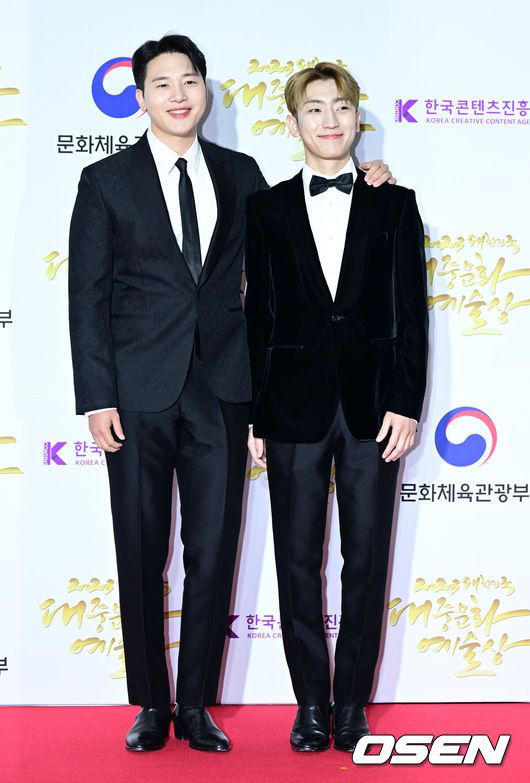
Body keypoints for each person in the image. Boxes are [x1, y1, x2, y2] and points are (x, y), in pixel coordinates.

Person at [69, 34, 395, 754]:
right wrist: (96, 395)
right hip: (137, 392)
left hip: (225, 390)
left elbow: (300, 240)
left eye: (190, 80)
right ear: (141, 97)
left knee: (213, 553)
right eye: (163, 84)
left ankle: (195, 704)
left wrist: (374, 179)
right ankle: (150, 704)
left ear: (206, 90)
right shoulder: (106, 181)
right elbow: (85, 295)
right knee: (140, 549)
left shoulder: (242, 174)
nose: (179, 94)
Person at [246, 62, 428, 753]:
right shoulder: (265, 209)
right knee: (296, 563)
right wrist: (256, 414)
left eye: (342, 107)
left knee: (366, 560)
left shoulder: (395, 204)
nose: (330, 120)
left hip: (373, 410)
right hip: (291, 411)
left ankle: (352, 703)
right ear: (293, 122)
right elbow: (258, 318)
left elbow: (411, 314)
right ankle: (310, 705)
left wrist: (406, 402)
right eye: (315, 108)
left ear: (358, 118)